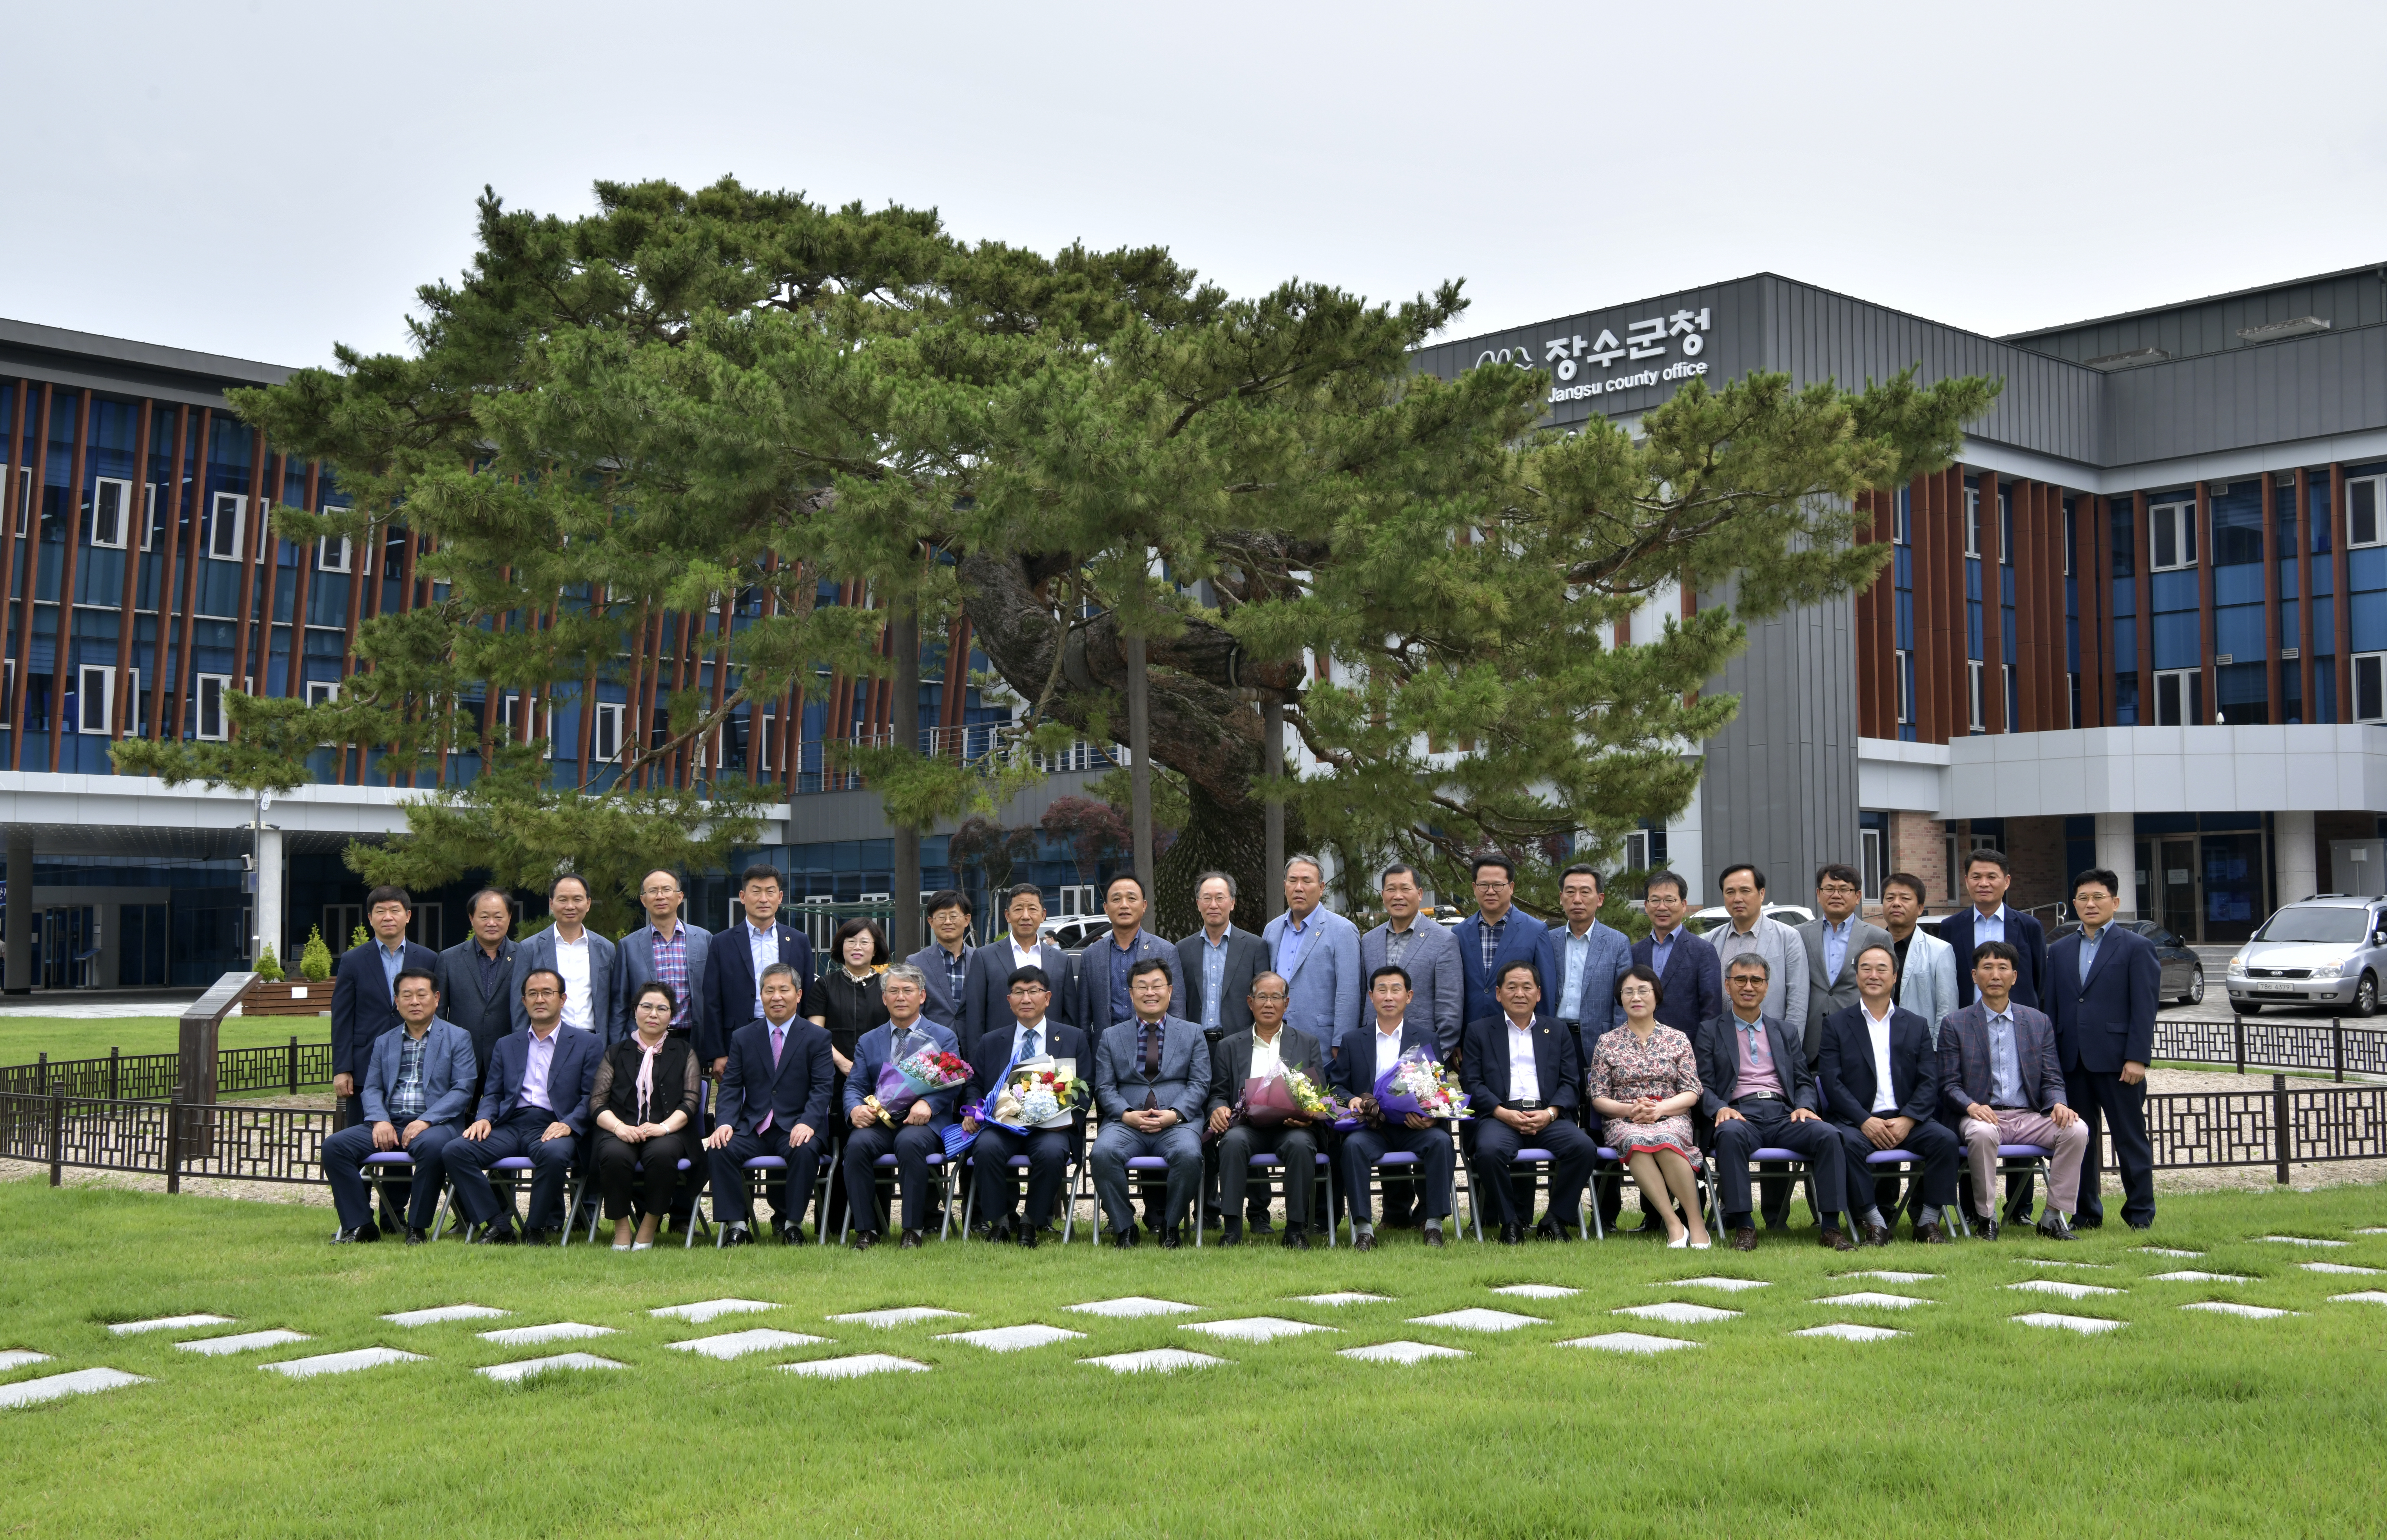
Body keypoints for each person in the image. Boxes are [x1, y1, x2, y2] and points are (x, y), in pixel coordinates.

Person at [1694, 954, 1857, 1252]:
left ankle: (1831, 1227)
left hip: (1785, 1115)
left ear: (1767, 987)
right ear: (1727, 986)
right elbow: (1700, 1085)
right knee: (1728, 1135)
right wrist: (1720, 1108)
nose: (1748, 987)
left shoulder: (1784, 1031)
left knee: (1830, 1136)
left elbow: (1804, 1080)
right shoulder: (1709, 1030)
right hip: (1740, 1113)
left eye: (1756, 980)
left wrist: (1805, 1106)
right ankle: (1744, 1226)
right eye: (1740, 980)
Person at [1941, 941, 2090, 1241]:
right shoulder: (1955, 1023)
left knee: (2077, 1130)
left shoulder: (2037, 1022)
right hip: (1982, 1116)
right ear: (1974, 975)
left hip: (2028, 1116)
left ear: (2014, 977)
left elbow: (2052, 1078)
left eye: (2002, 968)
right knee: (1982, 1134)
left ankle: (2052, 1217)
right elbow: (1948, 1084)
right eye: (1987, 968)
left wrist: (2059, 1103)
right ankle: (1987, 1219)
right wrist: (1971, 1107)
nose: (1995, 975)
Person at [1817, 945, 1961, 1244]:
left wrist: (1908, 1119)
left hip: (1907, 1120)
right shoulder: (1836, 1024)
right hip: (1858, 1121)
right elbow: (1832, 1082)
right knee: (1846, 1144)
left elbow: (1928, 1080)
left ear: (1895, 976)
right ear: (1856, 976)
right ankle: (1875, 1223)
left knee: (1946, 1140)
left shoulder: (1917, 1024)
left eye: (1882, 968)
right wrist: (1864, 1120)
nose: (1873, 975)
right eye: (1866, 968)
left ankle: (1928, 1222)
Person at [446, 968, 602, 1244]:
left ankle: (535, 1228)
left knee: (554, 1156)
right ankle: (499, 1226)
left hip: (555, 1124)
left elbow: (592, 1097)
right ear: (524, 1001)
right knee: (456, 1150)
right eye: (533, 994)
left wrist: (568, 1124)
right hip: (511, 1124)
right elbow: (492, 1093)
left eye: (547, 993)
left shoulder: (587, 1043)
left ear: (563, 999)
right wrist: (484, 1118)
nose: (539, 999)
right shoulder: (507, 1044)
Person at [322, 968, 476, 1244]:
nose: (414, 1002)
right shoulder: (385, 1041)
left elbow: (463, 1089)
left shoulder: (458, 1037)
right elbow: (372, 1088)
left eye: (421, 995)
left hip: (435, 1125)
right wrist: (380, 1120)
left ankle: (416, 1228)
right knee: (335, 1147)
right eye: (407, 995)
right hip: (390, 1123)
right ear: (397, 1001)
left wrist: (426, 1120)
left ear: (436, 998)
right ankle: (361, 1225)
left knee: (432, 1147)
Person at [2046, 868, 2160, 1230]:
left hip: (2119, 1062)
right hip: (2072, 1061)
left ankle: (2140, 1213)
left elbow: (2145, 1007)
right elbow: (2053, 1008)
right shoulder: (2060, 950)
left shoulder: (2137, 947)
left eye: (2098, 897)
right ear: (2074, 904)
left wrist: (2138, 1057)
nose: (2090, 904)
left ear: (2116, 902)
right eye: (2083, 898)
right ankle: (2086, 1213)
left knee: (2130, 1139)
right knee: (2080, 1141)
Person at [1460, 961, 1596, 1244]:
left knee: (1583, 1148)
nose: (1519, 993)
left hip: (1547, 1115)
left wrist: (1550, 1113)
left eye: (1527, 987)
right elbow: (1471, 1082)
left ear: (1539, 994)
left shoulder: (1557, 1031)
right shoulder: (1479, 1031)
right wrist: (1501, 1112)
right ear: (1498, 994)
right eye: (1511, 987)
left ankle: (1555, 1218)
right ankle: (1510, 1222)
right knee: (1488, 1151)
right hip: (1499, 1116)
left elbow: (1571, 1082)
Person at [703, 962, 835, 1245]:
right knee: (719, 1147)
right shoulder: (743, 1037)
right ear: (760, 995)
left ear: (798, 995)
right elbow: (731, 1087)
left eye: (784, 990)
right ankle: (738, 1227)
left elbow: (823, 1087)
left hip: (795, 1127)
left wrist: (809, 1122)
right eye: (769, 990)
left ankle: (792, 1225)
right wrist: (724, 1122)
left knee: (805, 1149)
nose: (776, 997)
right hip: (753, 1127)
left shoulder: (818, 1037)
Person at [958, 965, 1089, 1246]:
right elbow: (974, 1084)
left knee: (1053, 1153)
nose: (1026, 998)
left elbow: (1085, 1088)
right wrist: (973, 1110)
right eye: (1018, 992)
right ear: (1009, 1000)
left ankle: (1031, 1222)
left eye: (1033, 991)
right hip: (1002, 1125)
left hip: (1049, 1129)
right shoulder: (991, 1041)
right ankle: (1001, 1222)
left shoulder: (1073, 1037)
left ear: (1048, 998)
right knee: (985, 1148)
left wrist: (1067, 1120)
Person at [1587, 964, 1711, 1250]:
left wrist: (1661, 1110)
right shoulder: (1607, 1043)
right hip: (1624, 1118)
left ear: (1657, 995)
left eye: (1643, 991)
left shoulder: (1677, 1039)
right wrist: (1632, 1111)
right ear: (1621, 999)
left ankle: (1696, 1221)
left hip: (1671, 1113)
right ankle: (1672, 1223)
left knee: (1666, 1140)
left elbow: (1692, 1090)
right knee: (1637, 1142)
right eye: (1628, 992)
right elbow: (1599, 1097)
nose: (1636, 997)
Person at [840, 964, 963, 1248]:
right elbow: (855, 1085)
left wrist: (929, 1105)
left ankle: (913, 1229)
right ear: (884, 999)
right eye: (893, 991)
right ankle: (866, 1231)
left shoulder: (943, 1036)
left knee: (910, 1144)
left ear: (921, 996)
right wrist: (854, 1109)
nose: (900, 997)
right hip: (881, 1122)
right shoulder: (869, 1041)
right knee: (857, 1145)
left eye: (908, 991)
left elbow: (955, 1082)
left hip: (923, 1123)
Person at [1332, 965, 1455, 1250]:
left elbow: (1440, 1089)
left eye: (1396, 990)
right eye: (1382, 990)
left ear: (1409, 996)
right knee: (1352, 1147)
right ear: (1371, 997)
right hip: (1371, 1127)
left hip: (1413, 1126)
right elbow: (1337, 1085)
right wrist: (1350, 1099)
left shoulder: (1427, 1038)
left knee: (1441, 1141)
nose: (1389, 997)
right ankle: (1364, 1230)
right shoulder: (1353, 1040)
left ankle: (1434, 1225)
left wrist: (1431, 1119)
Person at [1090, 958, 1207, 1247]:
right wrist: (1126, 1114)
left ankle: (1171, 1226)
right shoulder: (1111, 1036)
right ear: (1131, 993)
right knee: (1102, 1154)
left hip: (1176, 1123)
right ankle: (1125, 1227)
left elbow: (1200, 1084)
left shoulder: (1192, 1033)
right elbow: (1104, 1087)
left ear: (1170, 990)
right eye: (1142, 987)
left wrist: (1175, 1114)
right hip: (1126, 1123)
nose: (1150, 993)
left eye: (1157, 986)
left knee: (1190, 1156)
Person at [1205, 971, 1326, 1248]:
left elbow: (1320, 1096)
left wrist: (1309, 1117)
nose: (1268, 1004)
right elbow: (1218, 1093)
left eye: (1276, 997)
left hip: (1292, 1127)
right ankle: (1232, 1229)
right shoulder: (1228, 1047)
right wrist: (1219, 1108)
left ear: (1287, 1003)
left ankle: (1295, 1230)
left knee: (1301, 1145)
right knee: (1232, 1142)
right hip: (1248, 1127)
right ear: (1250, 1002)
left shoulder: (1308, 1043)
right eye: (1262, 997)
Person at [1548, 865, 1633, 1232]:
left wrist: (1614, 1049)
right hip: (1554, 1040)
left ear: (1599, 898)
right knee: (1559, 1123)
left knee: (1603, 1127)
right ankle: (1560, 1214)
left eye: (1585, 892)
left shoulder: (1617, 942)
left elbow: (1622, 1000)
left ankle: (1607, 1214)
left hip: (1599, 1042)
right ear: (1561, 897)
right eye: (1570, 892)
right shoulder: (1547, 940)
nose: (1577, 899)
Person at [590, 981, 701, 1249]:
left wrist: (663, 1127)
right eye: (647, 1007)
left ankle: (649, 1226)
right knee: (615, 1155)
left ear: (671, 1016)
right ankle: (622, 1228)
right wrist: (619, 1128)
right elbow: (597, 1102)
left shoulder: (685, 1052)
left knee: (662, 1154)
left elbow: (691, 1101)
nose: (654, 1014)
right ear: (635, 1011)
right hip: (620, 1129)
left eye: (662, 1009)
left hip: (669, 1131)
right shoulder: (615, 1053)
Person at [330, 885, 439, 1128]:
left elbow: (436, 1012)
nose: (388, 917)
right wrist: (342, 1069)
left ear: (408, 916)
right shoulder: (352, 960)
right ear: (370, 918)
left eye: (395, 910)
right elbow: (342, 1018)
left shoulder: (429, 959)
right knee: (362, 1134)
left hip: (415, 1060)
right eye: (380, 911)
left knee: (404, 1134)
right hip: (364, 1063)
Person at [702, 863, 817, 1075]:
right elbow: (712, 1001)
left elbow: (808, 995)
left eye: (770, 892)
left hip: (788, 1035)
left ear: (780, 897)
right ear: (743, 897)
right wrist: (718, 1053)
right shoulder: (722, 942)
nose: (763, 899)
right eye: (756, 891)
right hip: (738, 1038)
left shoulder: (799, 941)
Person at [1260, 855, 1364, 1053]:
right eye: (1292, 881)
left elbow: (1348, 994)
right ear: (1285, 886)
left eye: (1307, 881)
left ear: (1322, 887)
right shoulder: (1272, 930)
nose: (1299, 888)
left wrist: (1341, 1043)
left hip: (1321, 1043)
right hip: (1274, 1040)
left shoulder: (1342, 930)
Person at [960, 883, 1078, 1055]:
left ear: (1043, 915)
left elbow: (1070, 1018)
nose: (1026, 916)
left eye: (1032, 909)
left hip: (1051, 1062)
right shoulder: (984, 957)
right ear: (1007, 915)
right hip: (999, 1057)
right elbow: (975, 1018)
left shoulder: (1062, 961)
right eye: (1018, 910)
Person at [1359, 863, 1464, 1056]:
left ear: (1420, 893)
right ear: (1383, 895)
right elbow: (1363, 998)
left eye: (1405, 889)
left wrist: (1432, 1059)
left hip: (1421, 1053)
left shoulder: (1444, 940)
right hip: (1372, 1050)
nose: (1398, 896)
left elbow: (1450, 1007)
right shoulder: (1369, 940)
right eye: (1391, 890)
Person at [1452, 854, 1560, 1038]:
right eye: (1484, 885)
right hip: (1472, 1035)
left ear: (1511, 888)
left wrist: (1543, 1036)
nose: (1491, 891)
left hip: (1520, 1033)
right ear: (1474, 888)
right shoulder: (1458, 932)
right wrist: (1457, 1039)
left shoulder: (1535, 930)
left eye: (1498, 885)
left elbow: (1546, 991)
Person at [1709, 864, 1810, 1053]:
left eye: (1745, 891)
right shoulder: (1711, 940)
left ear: (1761, 894)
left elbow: (1798, 999)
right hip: (1723, 1046)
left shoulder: (1788, 937)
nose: (1737, 898)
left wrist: (1789, 1051)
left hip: (1772, 1045)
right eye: (1730, 892)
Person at [1069, 873, 1186, 1035]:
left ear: (1144, 906)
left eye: (1132, 898)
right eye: (1116, 899)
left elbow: (1177, 1011)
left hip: (1154, 1048)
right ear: (1106, 908)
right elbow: (1084, 1018)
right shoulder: (1091, 956)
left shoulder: (1166, 951)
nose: (1124, 905)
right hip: (1105, 1051)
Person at [1796, 864, 1890, 1058]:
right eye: (1829, 889)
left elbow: (1887, 992)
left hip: (1860, 1036)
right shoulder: (1800, 934)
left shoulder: (1878, 937)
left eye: (1844, 890)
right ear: (1818, 894)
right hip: (1811, 1040)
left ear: (1857, 897)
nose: (1836, 895)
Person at [510, 873, 618, 1040]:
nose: (570, 906)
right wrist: (522, 1045)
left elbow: (615, 1001)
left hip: (594, 1041)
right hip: (547, 1040)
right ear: (551, 904)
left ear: (588, 904)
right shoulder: (530, 948)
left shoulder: (605, 948)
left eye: (577, 899)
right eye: (562, 900)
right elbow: (519, 1004)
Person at [615, 869, 711, 1051]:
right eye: (653, 891)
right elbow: (620, 1004)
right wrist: (617, 1047)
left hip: (692, 1040)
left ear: (680, 896)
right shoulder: (628, 946)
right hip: (643, 1041)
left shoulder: (704, 939)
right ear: (644, 900)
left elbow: (714, 996)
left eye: (667, 890)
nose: (660, 896)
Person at [436, 888, 519, 1100]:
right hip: (462, 1056)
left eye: (499, 916)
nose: (492, 923)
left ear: (509, 918)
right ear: (472, 918)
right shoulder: (449, 959)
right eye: (484, 917)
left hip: (510, 1055)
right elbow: (438, 1013)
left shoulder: (526, 956)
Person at [1944, 849, 2047, 1011]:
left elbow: (2040, 978)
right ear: (1966, 881)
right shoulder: (1950, 927)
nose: (1984, 883)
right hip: (1966, 1020)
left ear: (2007, 881)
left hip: (2019, 1020)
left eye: (1992, 877)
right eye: (1976, 877)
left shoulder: (2029, 926)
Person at [1176, 871, 1268, 1039]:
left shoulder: (1255, 947)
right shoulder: (1183, 949)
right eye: (1207, 898)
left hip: (1239, 1043)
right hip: (1195, 1044)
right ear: (1198, 904)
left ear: (1232, 903)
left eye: (1220, 898)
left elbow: (1262, 1000)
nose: (1213, 905)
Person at [1631, 871, 1723, 1038]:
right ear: (1646, 906)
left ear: (1683, 904)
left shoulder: (1703, 951)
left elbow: (1711, 1010)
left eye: (1669, 900)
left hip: (1687, 1049)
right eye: (1655, 900)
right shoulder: (1635, 952)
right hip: (1639, 1049)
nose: (1662, 907)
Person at [805, 917, 890, 1077]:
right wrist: (842, 1063)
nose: (857, 948)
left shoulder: (888, 986)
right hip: (832, 1072)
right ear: (842, 947)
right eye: (851, 941)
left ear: (875, 950)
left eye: (865, 942)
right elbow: (815, 1033)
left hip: (881, 1074)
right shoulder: (825, 985)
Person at [1881, 872, 1958, 1031]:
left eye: (1905, 898)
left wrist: (1937, 1051)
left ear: (1920, 908)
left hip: (1919, 1045)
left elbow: (1947, 1009)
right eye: (1890, 898)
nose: (1896, 903)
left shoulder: (1940, 951)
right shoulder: (1870, 946)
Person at [906, 890, 975, 1027]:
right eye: (942, 917)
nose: (948, 922)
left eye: (954, 916)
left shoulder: (981, 959)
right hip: (932, 1045)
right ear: (931, 922)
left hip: (974, 1044)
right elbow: (913, 1011)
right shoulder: (916, 963)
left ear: (967, 920)